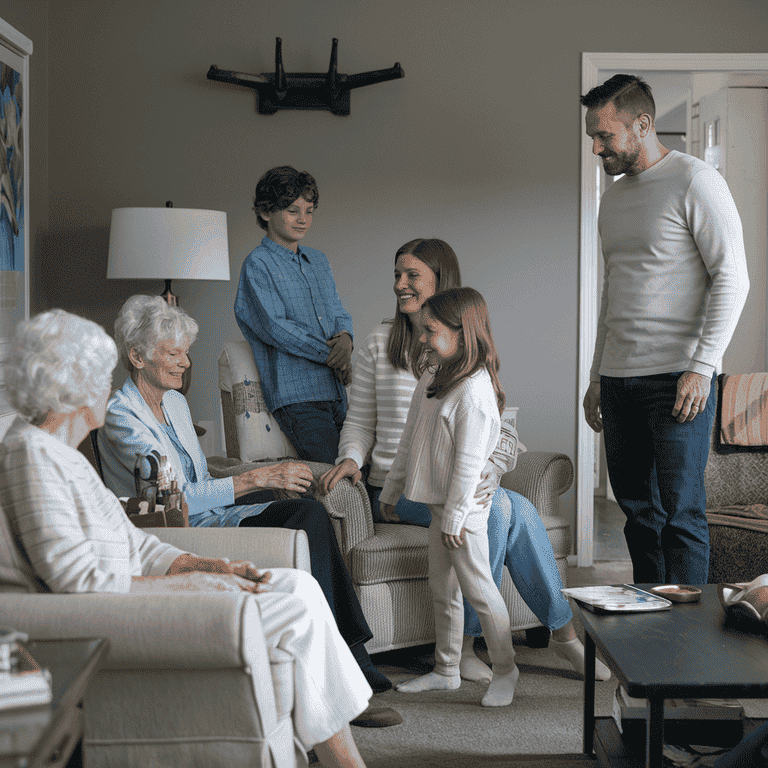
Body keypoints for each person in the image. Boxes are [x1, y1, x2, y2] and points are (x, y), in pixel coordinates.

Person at [0, 308, 371, 768]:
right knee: (293, 608)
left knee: (300, 585)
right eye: (97, 375)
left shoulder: (64, 455)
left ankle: (338, 749)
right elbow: (76, 576)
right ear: (70, 386)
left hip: (136, 590)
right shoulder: (30, 455)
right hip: (117, 608)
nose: (105, 386)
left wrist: (210, 566)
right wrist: (188, 586)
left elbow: (135, 544)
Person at [320, 238, 610, 683]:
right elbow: (358, 422)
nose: (400, 284)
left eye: (412, 275)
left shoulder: (464, 352)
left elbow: (499, 431)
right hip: (406, 486)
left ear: (441, 283)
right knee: (499, 511)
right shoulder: (381, 342)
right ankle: (484, 644)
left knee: (510, 505)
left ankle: (555, 634)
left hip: (459, 480)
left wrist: (486, 472)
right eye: (396, 274)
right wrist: (350, 459)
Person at [97, 294, 395, 702]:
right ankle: (350, 660)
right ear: (136, 356)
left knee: (309, 510)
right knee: (305, 517)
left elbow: (203, 476)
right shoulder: (122, 416)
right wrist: (258, 477)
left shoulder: (176, 404)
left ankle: (350, 651)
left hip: (213, 511)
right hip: (173, 530)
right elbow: (171, 503)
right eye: (173, 354)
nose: (185, 364)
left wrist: (258, 484)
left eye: (186, 353)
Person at [581, 74, 750, 584]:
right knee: (638, 515)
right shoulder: (612, 199)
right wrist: (596, 376)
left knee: (681, 515)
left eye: (605, 135)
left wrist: (702, 368)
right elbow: (614, 292)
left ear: (643, 124)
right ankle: (648, 632)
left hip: (679, 380)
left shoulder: (696, 181)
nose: (595, 147)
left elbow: (734, 279)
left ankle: (686, 652)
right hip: (618, 380)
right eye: (592, 136)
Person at [378, 287, 519, 706]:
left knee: (479, 591)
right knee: (443, 589)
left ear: (463, 333)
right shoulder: (432, 376)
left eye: (431, 331)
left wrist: (457, 518)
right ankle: (445, 669)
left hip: (465, 514)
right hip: (441, 508)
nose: (422, 338)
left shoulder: (474, 393)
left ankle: (506, 669)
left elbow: (469, 465)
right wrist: (391, 488)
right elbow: (409, 440)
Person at [234, 166, 353, 464]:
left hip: (337, 392)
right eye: (292, 210)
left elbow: (338, 311)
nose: (303, 220)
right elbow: (277, 328)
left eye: (309, 211)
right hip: (297, 397)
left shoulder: (318, 261)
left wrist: (347, 339)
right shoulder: (257, 265)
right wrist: (334, 355)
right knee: (333, 479)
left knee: (361, 474)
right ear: (265, 212)